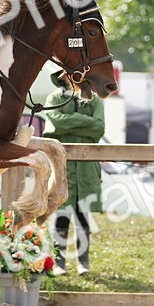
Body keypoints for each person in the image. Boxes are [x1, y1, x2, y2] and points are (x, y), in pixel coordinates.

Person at [43, 70, 104, 276]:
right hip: (63, 167)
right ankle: (58, 262)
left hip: (86, 170)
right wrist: (85, 121)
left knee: (83, 216)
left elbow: (99, 128)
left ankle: (83, 262)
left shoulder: (95, 101)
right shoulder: (54, 99)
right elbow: (56, 123)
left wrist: (70, 122)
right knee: (61, 214)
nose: (73, 79)